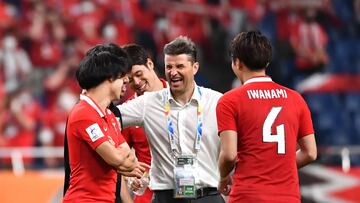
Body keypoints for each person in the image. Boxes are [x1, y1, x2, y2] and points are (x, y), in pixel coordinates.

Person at [117, 36, 225, 203]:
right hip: (156, 193)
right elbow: (116, 151)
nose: (136, 82)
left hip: (205, 193)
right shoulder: (138, 107)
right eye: (130, 79)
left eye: (180, 66)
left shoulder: (215, 101)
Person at [216, 31, 317, 203]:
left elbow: (230, 155)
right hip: (288, 197)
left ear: (237, 63)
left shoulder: (229, 101)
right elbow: (310, 153)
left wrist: (223, 176)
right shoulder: (295, 99)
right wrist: (278, 167)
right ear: (267, 62)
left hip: (247, 196)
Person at [63, 44, 148, 203]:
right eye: (122, 76)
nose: (126, 82)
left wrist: (120, 157)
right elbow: (117, 159)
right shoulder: (83, 113)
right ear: (111, 76)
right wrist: (119, 155)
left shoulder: (108, 115)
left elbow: (129, 162)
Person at [120, 44, 167, 203]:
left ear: (150, 64)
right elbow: (117, 163)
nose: (137, 82)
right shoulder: (127, 112)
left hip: (185, 192)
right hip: (148, 196)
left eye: (139, 74)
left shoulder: (181, 98)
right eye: (130, 80)